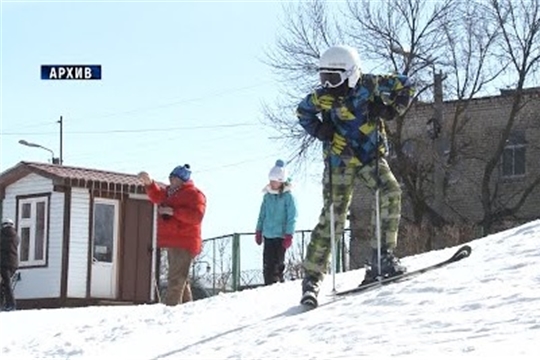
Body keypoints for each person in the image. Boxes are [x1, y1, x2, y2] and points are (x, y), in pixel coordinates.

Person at [296, 45, 415, 303]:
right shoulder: (322, 98)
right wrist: (320, 129)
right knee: (334, 214)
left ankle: (382, 259)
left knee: (390, 191)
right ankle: (312, 277)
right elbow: (302, 112)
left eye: (334, 79)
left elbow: (405, 86)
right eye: (324, 78)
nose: (328, 85)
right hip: (340, 160)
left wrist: (391, 110)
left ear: (350, 74)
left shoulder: (370, 85)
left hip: (370, 157)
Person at [138, 164, 206, 306]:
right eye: (170, 177)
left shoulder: (195, 195)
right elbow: (157, 195)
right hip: (173, 241)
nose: (170, 180)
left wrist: (173, 212)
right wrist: (149, 184)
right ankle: (188, 308)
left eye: (173, 178)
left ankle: (171, 308)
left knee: (176, 279)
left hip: (184, 241)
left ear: (182, 180)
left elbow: (196, 217)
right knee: (181, 277)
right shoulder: (170, 192)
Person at [255, 159, 298, 285]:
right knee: (268, 262)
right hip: (268, 234)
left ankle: (277, 281)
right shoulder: (267, 197)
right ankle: (268, 283)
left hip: (281, 235)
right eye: (271, 181)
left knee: (277, 262)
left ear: (281, 181)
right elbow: (262, 215)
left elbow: (292, 217)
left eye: (274, 181)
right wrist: (259, 230)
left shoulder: (288, 197)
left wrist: (289, 234)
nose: (272, 183)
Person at [1, 218, 19, 311]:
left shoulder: (2, 235)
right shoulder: (16, 236)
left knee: (6, 284)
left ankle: (10, 304)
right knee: (5, 283)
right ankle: (7, 304)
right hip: (14, 264)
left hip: (3, 263)